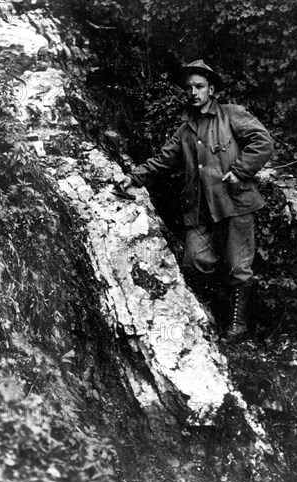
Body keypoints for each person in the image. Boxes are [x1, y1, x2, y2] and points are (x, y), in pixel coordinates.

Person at [117, 60, 274, 342]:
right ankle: (214, 311)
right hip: (201, 209)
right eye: (189, 87)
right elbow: (164, 160)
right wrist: (135, 176)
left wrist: (239, 171)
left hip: (236, 203)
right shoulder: (185, 130)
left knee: (239, 267)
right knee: (194, 260)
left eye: (199, 86)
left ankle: (238, 326)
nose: (193, 92)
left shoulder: (231, 115)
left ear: (211, 89)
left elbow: (263, 141)